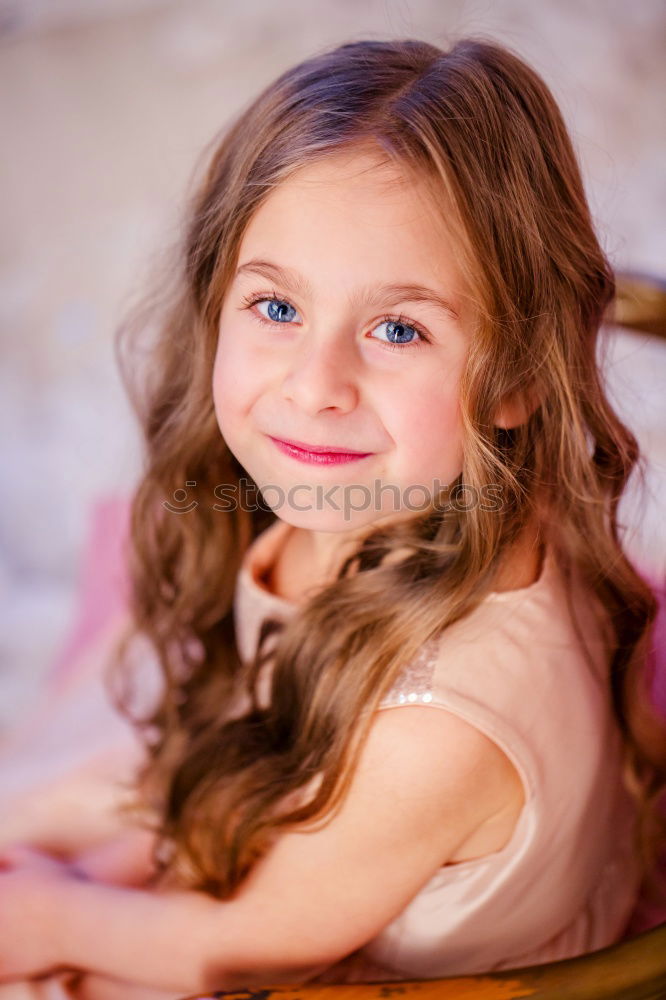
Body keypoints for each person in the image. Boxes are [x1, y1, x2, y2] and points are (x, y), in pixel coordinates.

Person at [1, 34, 665, 1000]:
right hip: (307, 838)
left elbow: (255, 944)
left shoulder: (443, 727)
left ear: (520, 376)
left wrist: (51, 917)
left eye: (399, 329)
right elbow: (259, 727)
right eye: (276, 308)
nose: (317, 388)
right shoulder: (375, 493)